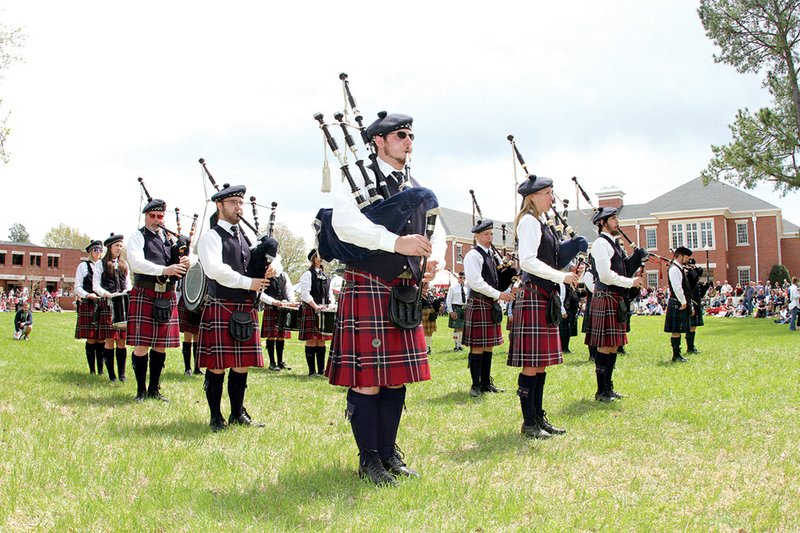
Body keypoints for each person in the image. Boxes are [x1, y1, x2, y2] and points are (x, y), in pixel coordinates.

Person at [325, 111, 446, 486]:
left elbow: (435, 229)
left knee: (396, 379)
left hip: (404, 290)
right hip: (370, 284)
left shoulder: (416, 185)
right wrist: (395, 243)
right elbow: (344, 225)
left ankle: (389, 453)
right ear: (378, 141)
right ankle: (369, 459)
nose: (408, 141)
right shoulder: (357, 179)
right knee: (369, 380)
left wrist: (433, 259)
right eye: (400, 135)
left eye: (411, 135)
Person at [508, 175, 581, 438]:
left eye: (552, 192)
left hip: (544, 296)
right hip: (533, 295)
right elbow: (527, 261)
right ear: (533, 197)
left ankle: (538, 418)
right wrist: (561, 276)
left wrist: (569, 260)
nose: (552, 197)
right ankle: (529, 424)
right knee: (531, 364)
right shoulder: (528, 221)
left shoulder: (543, 223)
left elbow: (552, 257)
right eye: (548, 193)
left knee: (540, 364)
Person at [197, 184, 272, 432]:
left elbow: (257, 262)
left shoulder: (244, 236)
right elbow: (214, 270)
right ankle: (216, 416)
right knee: (218, 364)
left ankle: (237, 413)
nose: (238, 208)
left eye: (240, 203)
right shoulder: (211, 236)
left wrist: (272, 267)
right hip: (222, 304)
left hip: (244, 306)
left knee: (241, 363)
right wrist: (248, 282)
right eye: (233, 203)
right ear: (219, 205)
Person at [126, 197, 190, 403]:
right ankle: (140, 390)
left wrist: (186, 261)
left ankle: (154, 388)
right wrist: (164, 270)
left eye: (160, 216)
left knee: (160, 345)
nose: (156, 220)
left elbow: (179, 264)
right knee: (141, 344)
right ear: (146, 216)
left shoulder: (169, 240)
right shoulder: (138, 236)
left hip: (166, 294)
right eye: (152, 216)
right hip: (145, 292)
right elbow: (136, 263)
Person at [585, 207, 644, 401]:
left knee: (613, 346)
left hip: (615, 298)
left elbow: (623, 269)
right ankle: (601, 391)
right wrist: (630, 282)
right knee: (604, 346)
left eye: (616, 217)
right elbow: (605, 275)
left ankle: (609, 388)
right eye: (612, 218)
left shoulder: (615, 244)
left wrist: (637, 258)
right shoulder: (601, 244)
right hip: (607, 296)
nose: (617, 222)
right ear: (602, 223)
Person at [462, 219, 514, 397]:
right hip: (479, 302)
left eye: (491, 234)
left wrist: (508, 275)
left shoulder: (492, 256)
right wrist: (499, 295)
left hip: (489, 303)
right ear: (476, 236)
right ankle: (475, 385)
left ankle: (485, 383)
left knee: (489, 345)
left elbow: (496, 281)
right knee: (477, 346)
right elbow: (476, 282)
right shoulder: (473, 255)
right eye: (486, 234)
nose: (490, 237)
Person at [93, 233, 132, 382]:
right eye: (116, 245)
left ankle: (122, 375)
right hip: (108, 303)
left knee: (121, 342)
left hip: (122, 304)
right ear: (110, 247)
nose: (119, 248)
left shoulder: (124, 264)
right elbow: (95, 285)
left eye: (121, 246)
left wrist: (126, 292)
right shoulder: (100, 264)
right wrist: (107, 294)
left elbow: (128, 283)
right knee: (109, 340)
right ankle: (112, 375)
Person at [298, 250, 334, 376]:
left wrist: (329, 306)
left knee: (321, 341)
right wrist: (315, 306)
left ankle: (321, 370)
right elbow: (305, 294)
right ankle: (312, 371)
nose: (321, 258)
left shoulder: (326, 276)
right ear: (313, 259)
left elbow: (330, 294)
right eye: (319, 257)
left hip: (323, 310)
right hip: (311, 309)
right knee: (312, 340)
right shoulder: (308, 274)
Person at [260, 255, 296, 371]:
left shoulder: (284, 275)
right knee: (271, 336)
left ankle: (280, 362)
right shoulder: (264, 275)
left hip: (284, 307)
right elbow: (260, 293)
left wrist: (291, 302)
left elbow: (289, 290)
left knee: (281, 336)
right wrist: (273, 302)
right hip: (271, 307)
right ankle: (272, 362)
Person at [74, 240, 105, 374]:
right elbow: (77, 287)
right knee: (91, 337)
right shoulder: (83, 266)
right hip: (89, 303)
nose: (98, 252)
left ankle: (101, 370)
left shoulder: (105, 265)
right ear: (90, 252)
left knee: (102, 338)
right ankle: (92, 370)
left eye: (100, 250)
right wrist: (87, 295)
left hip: (102, 303)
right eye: (95, 250)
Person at [664, 246, 693, 363]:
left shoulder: (679, 268)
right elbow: (677, 287)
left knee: (679, 330)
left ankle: (678, 354)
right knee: (676, 330)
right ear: (679, 256)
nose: (687, 260)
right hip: (677, 302)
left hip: (679, 302)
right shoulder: (674, 269)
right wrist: (683, 302)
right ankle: (676, 355)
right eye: (686, 257)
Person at [176, 276, 203, 377]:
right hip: (187, 299)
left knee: (197, 336)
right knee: (188, 335)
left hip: (199, 300)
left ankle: (197, 368)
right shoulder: (188, 263)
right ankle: (187, 368)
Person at [445, 271, 468, 351]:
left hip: (464, 308)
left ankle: (460, 344)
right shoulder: (453, 287)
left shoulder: (466, 288)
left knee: (462, 328)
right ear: (458, 278)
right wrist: (451, 311)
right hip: (456, 308)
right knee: (456, 328)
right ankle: (456, 345)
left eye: (464, 278)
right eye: (460, 277)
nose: (462, 279)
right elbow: (448, 300)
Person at [558, 275, 580, 355]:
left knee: (568, 332)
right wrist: (563, 311)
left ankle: (566, 348)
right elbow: (560, 299)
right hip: (565, 312)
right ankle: (563, 348)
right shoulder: (562, 285)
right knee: (563, 332)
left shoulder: (570, 286)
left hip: (570, 312)